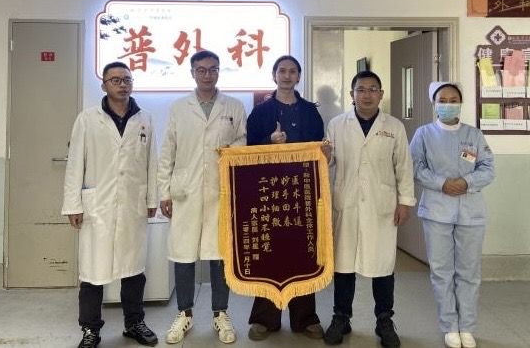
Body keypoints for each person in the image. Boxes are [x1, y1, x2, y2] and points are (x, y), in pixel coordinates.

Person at [62, 61, 159, 348]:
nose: (122, 84)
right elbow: (75, 163)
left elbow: (151, 162)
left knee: (133, 269)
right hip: (98, 206)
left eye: (127, 79)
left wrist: (151, 198)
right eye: (115, 80)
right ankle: (90, 329)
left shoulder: (145, 119)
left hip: (132, 205)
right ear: (104, 85)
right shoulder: (87, 119)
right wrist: (73, 204)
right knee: (93, 272)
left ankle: (134, 323)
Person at [158, 50, 247, 345]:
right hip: (185, 191)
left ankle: (221, 313)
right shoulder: (178, 108)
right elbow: (167, 152)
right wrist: (164, 192)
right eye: (201, 70)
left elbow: (243, 141)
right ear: (193, 73)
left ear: (219, 71)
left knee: (219, 254)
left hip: (221, 191)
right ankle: (184, 313)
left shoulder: (234, 106)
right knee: (183, 254)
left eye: (213, 69)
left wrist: (231, 150)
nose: (207, 75)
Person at [323, 70, 415, 348]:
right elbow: (327, 163)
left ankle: (384, 320)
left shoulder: (394, 126)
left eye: (372, 89)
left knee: (382, 266)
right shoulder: (337, 124)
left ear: (381, 94)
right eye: (360, 89)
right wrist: (324, 156)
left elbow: (404, 166)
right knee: (343, 266)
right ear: (352, 95)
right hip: (346, 203)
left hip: (381, 205)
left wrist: (405, 201)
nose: (366, 95)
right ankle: (341, 318)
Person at [246, 55, 326, 341]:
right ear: (274, 75)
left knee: (303, 254)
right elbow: (248, 152)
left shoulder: (310, 111)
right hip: (268, 191)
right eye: (282, 71)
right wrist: (268, 142)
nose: (287, 75)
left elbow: (319, 148)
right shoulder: (260, 112)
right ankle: (264, 319)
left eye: (293, 71)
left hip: (302, 191)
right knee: (269, 254)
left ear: (299, 76)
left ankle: (305, 318)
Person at [409, 82, 494, 348]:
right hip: (437, 210)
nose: (448, 104)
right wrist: (442, 183)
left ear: (461, 103)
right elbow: (415, 167)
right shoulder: (424, 134)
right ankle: (449, 326)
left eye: (453, 99)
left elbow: (488, 168)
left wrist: (466, 182)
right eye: (442, 100)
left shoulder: (474, 135)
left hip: (471, 212)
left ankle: (467, 326)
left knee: (469, 272)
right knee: (442, 271)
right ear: (434, 104)